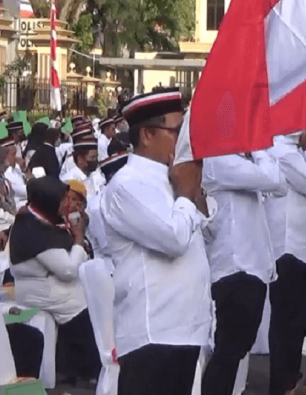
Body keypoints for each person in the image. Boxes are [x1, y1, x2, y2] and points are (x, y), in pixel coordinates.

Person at [101, 88, 214, 395]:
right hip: (153, 334)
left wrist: (194, 191)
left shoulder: (174, 178)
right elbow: (174, 238)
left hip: (186, 328)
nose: (185, 142)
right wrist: (186, 194)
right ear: (147, 135)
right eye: (178, 132)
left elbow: (210, 233)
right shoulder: (126, 186)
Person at [200, 147, 284, 395]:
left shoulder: (237, 159)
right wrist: (260, 150)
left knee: (235, 348)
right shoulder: (220, 158)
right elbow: (274, 179)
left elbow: (280, 187)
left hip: (250, 266)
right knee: (229, 349)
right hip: (235, 268)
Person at [9, 176, 101, 384]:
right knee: (86, 313)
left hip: (51, 284)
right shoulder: (31, 229)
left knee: (93, 298)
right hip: (41, 291)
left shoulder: (42, 220)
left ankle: (72, 369)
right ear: (48, 202)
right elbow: (67, 270)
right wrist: (78, 238)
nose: (67, 205)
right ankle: (91, 372)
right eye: (63, 200)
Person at [265, 131, 306, 395]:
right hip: (289, 251)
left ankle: (292, 378)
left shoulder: (294, 150)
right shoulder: (283, 151)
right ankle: (282, 386)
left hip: (304, 247)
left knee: (297, 321)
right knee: (286, 325)